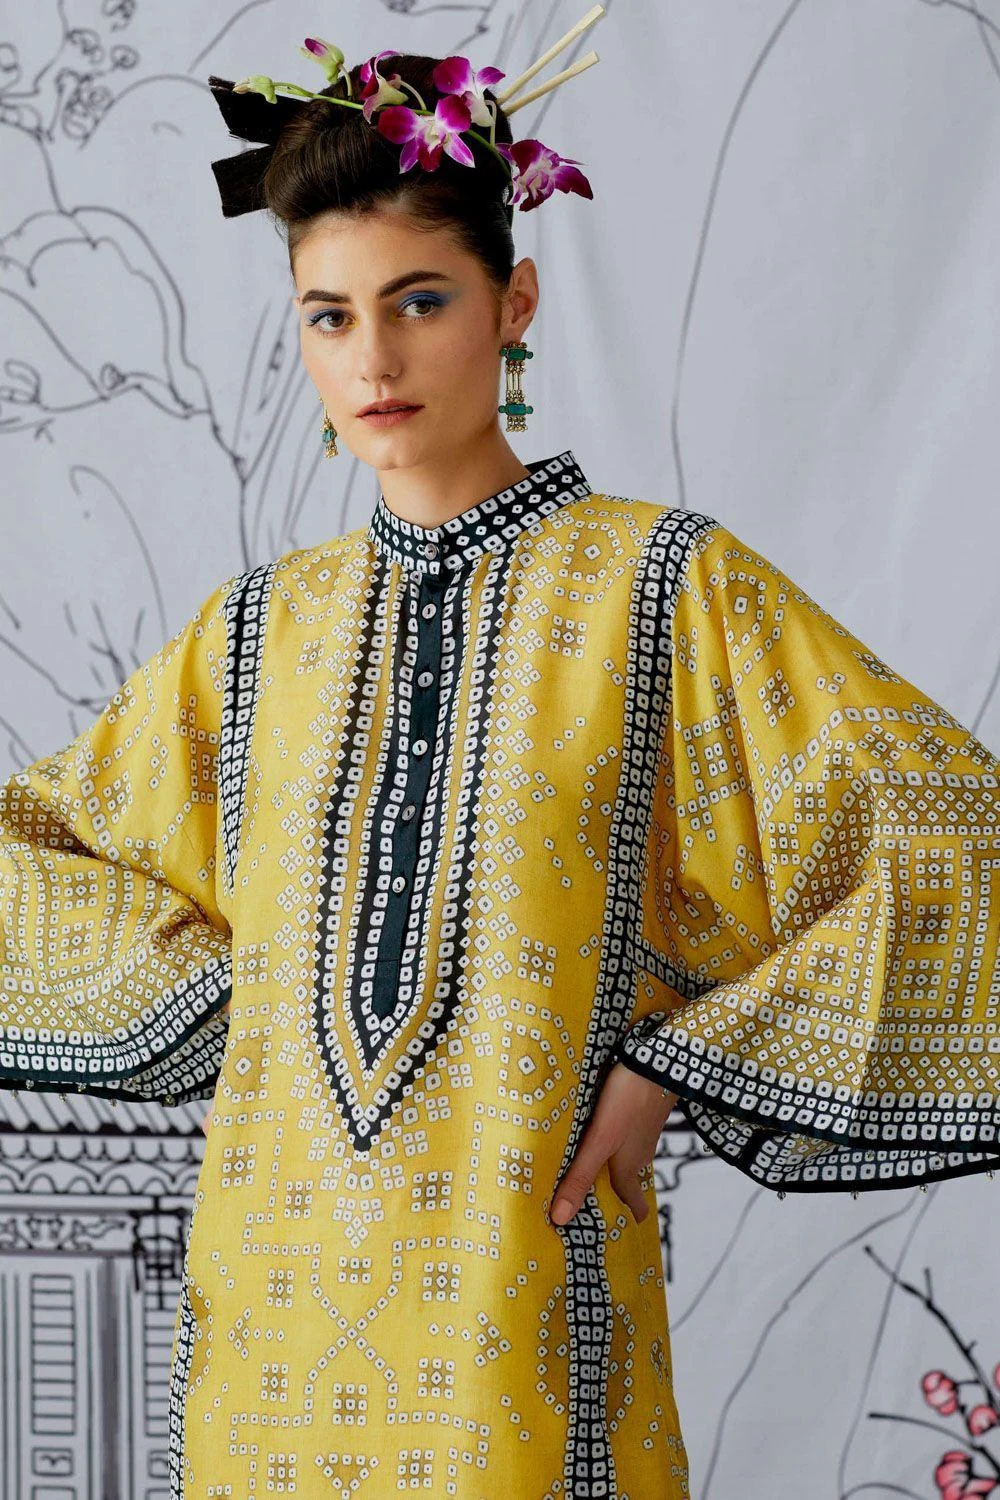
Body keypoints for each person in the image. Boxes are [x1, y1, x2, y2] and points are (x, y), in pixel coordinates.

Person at [1, 16, 998, 1499]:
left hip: (523, 1298)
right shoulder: (256, 635)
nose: (374, 358)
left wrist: (672, 1064)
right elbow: (28, 853)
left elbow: (952, 843)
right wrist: (239, 997)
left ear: (512, 302)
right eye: (329, 315)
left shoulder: (663, 592)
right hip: (270, 1314)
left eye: (420, 301)